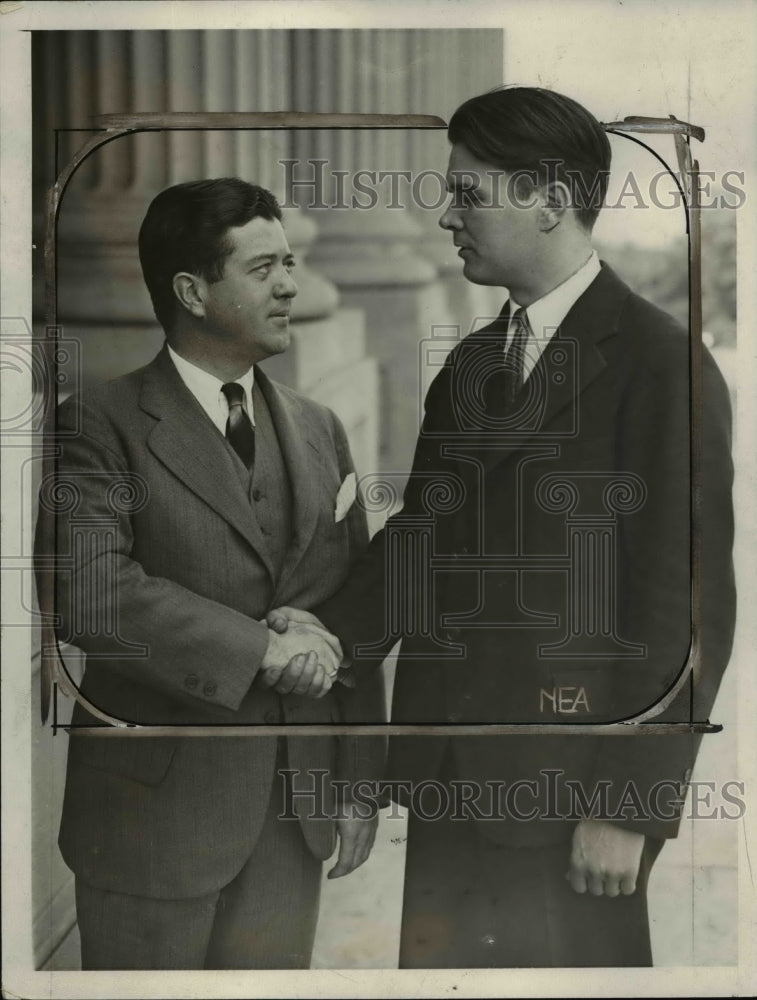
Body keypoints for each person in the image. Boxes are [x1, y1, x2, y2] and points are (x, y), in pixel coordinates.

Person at [270, 87, 736, 967]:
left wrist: (627, 809)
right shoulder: (476, 362)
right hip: (451, 783)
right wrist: (325, 630)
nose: (447, 216)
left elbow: (689, 610)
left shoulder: (660, 364)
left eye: (469, 194)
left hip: (571, 804)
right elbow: (425, 540)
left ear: (550, 201)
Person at [37, 178, 385, 970]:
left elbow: (355, 603)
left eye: (291, 262)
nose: (292, 284)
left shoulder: (318, 425)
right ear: (192, 291)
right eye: (264, 268)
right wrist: (258, 649)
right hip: (153, 823)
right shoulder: (97, 422)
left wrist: (359, 781)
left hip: (295, 817)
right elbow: (87, 591)